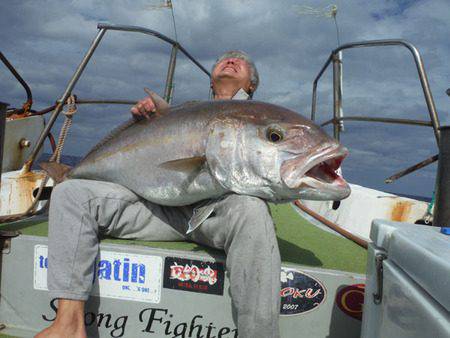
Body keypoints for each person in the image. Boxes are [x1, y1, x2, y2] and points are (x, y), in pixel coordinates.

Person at [36, 51, 281, 338]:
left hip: (220, 216)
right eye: (223, 58)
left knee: (252, 211)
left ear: (251, 85)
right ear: (211, 79)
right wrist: (147, 122)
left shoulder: (267, 122)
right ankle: (68, 324)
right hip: (161, 210)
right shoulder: (183, 112)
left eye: (241, 61)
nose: (230, 60)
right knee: (69, 192)